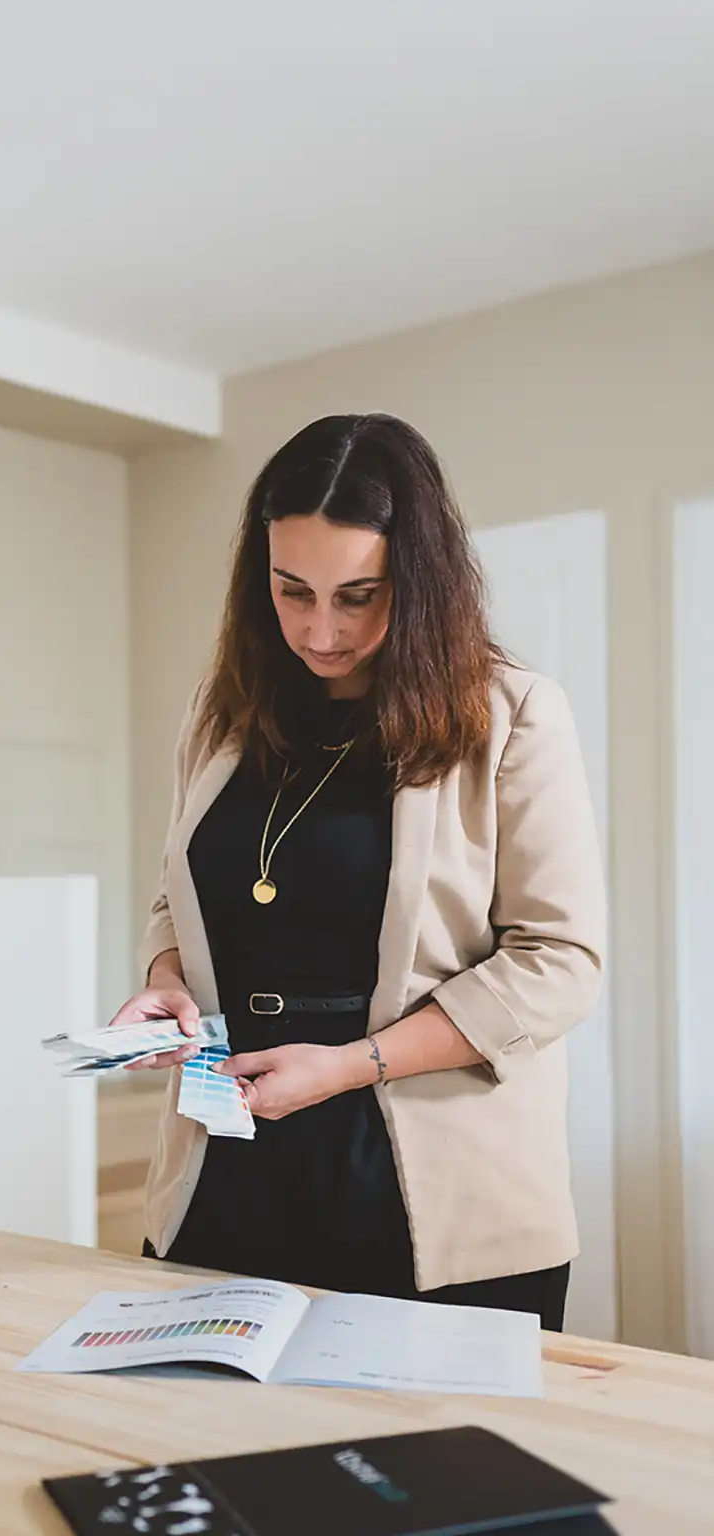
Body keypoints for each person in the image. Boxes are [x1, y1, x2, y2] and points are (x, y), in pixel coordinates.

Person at [111, 413, 604, 1332]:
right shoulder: (219, 718)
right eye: (290, 590)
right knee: (206, 1451)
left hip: (426, 1186)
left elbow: (560, 961)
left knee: (433, 1473)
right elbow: (176, 899)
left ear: (419, 586)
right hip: (226, 1162)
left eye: (358, 595)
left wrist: (349, 1067)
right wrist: (162, 981)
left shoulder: (514, 714)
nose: (319, 629)